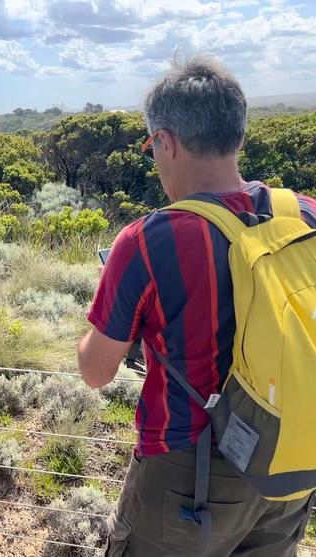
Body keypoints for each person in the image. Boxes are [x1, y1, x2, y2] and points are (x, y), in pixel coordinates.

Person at [77, 55, 316, 556]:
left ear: (165, 141)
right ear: (240, 137)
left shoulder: (150, 240)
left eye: (152, 147)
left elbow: (96, 370)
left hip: (190, 473)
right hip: (293, 461)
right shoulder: (307, 214)